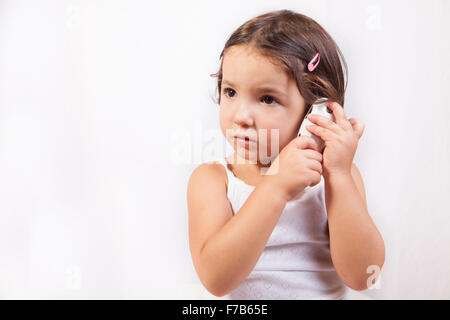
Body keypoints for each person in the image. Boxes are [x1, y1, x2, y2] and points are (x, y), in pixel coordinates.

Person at [187, 9, 385, 299]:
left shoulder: (337, 177)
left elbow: (364, 276)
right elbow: (216, 280)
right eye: (230, 92)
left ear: (316, 111)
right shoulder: (214, 180)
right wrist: (276, 187)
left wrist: (339, 176)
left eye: (267, 98)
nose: (240, 116)